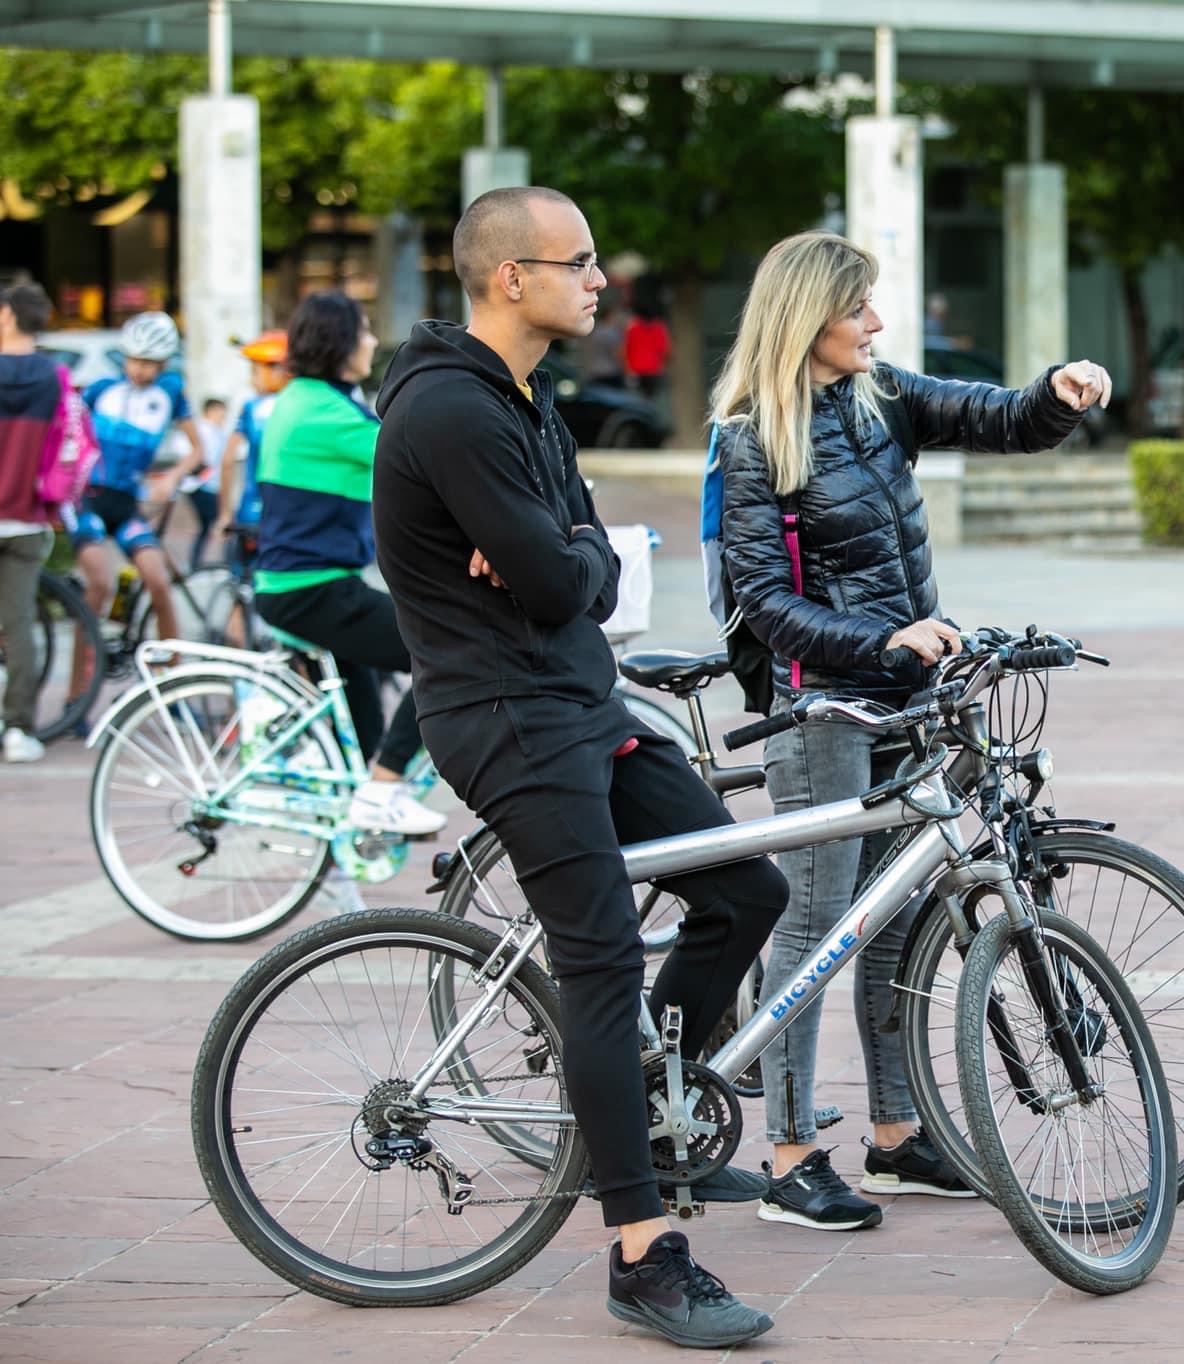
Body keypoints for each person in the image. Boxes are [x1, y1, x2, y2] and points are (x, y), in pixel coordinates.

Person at [373, 185, 783, 1349]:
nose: (601, 281)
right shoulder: (452, 411)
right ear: (513, 278)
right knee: (596, 963)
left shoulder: (522, 395)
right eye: (581, 262)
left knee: (744, 884)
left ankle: (647, 1114)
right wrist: (566, 559)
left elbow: (584, 558)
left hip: (573, 697)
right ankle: (641, 1251)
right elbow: (567, 580)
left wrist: (567, 554)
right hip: (504, 713)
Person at [716, 230, 1111, 1232]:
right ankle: (791, 1152)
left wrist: (1052, 394)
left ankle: (895, 1134)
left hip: (900, 691)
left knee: (893, 919)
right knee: (814, 923)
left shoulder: (877, 394)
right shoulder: (751, 434)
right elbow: (761, 601)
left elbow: (988, 414)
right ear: (809, 317)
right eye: (859, 310)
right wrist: (882, 635)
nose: (876, 325)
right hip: (821, 703)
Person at [249, 291, 443, 837]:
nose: (371, 342)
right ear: (337, 342)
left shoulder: (310, 398)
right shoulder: (325, 412)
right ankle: (382, 790)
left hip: (304, 585)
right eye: (362, 331)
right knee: (449, 655)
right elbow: (417, 459)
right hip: (312, 589)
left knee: (368, 716)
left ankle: (365, 798)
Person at [74, 311, 208, 655]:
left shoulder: (170, 396)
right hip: (88, 500)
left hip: (128, 505)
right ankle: (78, 692)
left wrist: (171, 478)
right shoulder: (101, 391)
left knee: (159, 582)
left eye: (148, 363)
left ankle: (171, 680)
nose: (139, 369)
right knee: (98, 584)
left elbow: (197, 451)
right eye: (133, 360)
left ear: (163, 363)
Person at [0, 279, 61, 763]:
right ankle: (18, 730)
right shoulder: (55, 377)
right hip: (27, 515)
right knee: (18, 625)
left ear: (6, 316)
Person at [209, 330, 291, 578]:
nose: (251, 379)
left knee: (241, 585)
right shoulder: (302, 407)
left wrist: (224, 513)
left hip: (251, 511)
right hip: (288, 514)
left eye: (255, 370)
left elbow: (227, 459)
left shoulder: (253, 408)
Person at [180, 396, 230, 569]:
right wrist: (202, 470)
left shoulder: (220, 432)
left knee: (207, 525)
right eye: (219, 412)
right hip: (199, 485)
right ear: (210, 411)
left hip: (210, 486)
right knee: (224, 521)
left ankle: (195, 562)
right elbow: (192, 454)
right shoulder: (202, 430)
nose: (222, 416)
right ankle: (230, 562)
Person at [623, 300, 670, 400]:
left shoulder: (633, 328)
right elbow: (665, 350)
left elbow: (627, 349)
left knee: (637, 401)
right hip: (654, 369)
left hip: (636, 370)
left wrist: (628, 368)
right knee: (653, 399)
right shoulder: (659, 328)